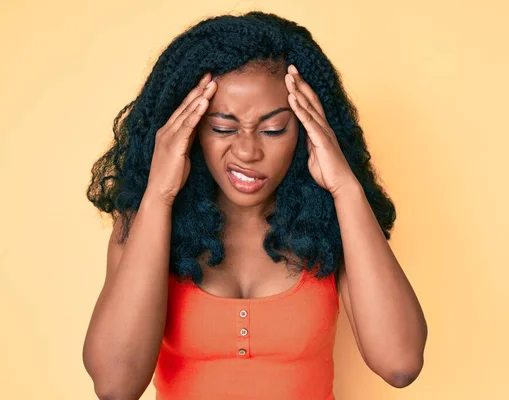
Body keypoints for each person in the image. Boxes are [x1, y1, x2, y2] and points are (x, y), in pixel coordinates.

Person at [82, 11, 427, 400]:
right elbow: (114, 385)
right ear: (189, 129)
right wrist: (159, 195)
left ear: (306, 128)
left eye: (273, 129)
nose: (247, 151)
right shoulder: (146, 221)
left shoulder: (330, 220)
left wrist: (345, 187)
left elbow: (400, 363)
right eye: (223, 128)